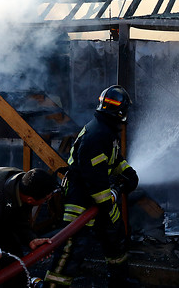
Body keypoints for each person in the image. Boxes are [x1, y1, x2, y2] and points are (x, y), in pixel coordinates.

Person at [45, 85, 139, 288]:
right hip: (82, 200)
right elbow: (96, 182)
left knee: (116, 241)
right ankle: (54, 285)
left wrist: (127, 172)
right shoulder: (97, 135)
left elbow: (113, 160)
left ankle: (119, 282)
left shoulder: (107, 128)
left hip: (100, 195)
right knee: (71, 249)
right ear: (122, 112)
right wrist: (112, 196)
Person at [0, 166, 60, 288]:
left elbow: (19, 218)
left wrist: (31, 239)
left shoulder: (22, 182)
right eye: (46, 199)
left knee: (15, 264)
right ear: (31, 200)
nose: (47, 201)